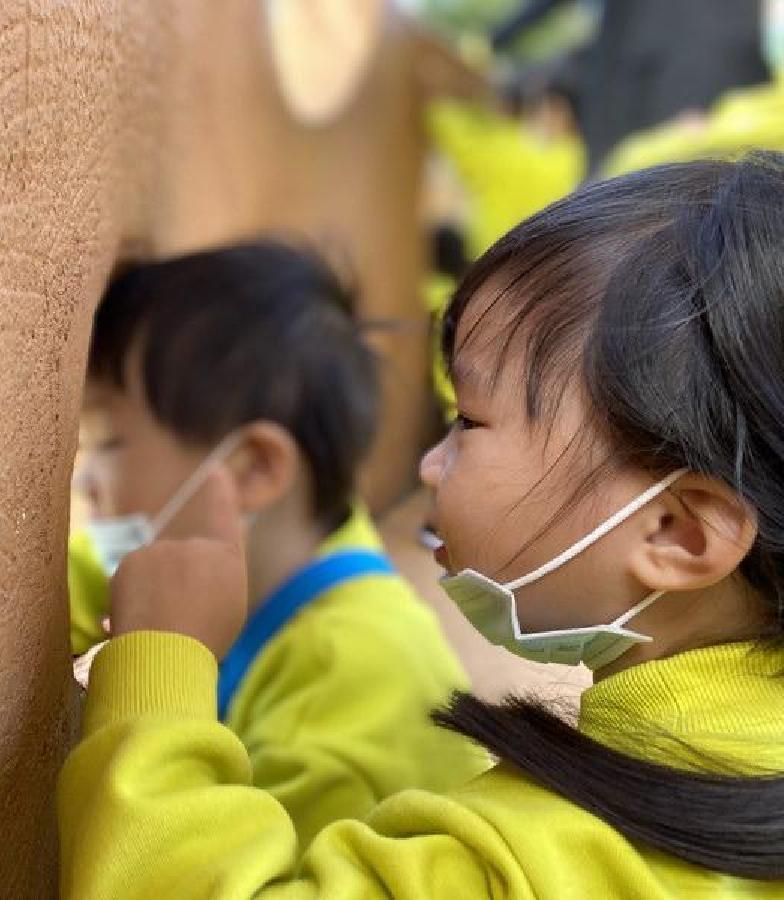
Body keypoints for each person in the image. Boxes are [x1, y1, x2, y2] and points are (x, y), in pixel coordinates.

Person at [59, 157, 784, 897]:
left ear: (677, 534)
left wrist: (156, 674)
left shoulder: (519, 864)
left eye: (470, 420)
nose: (433, 464)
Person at [67, 239, 488, 852]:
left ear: (251, 470)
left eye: (110, 444)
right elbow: (89, 579)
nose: (86, 480)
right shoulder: (297, 550)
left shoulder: (347, 679)